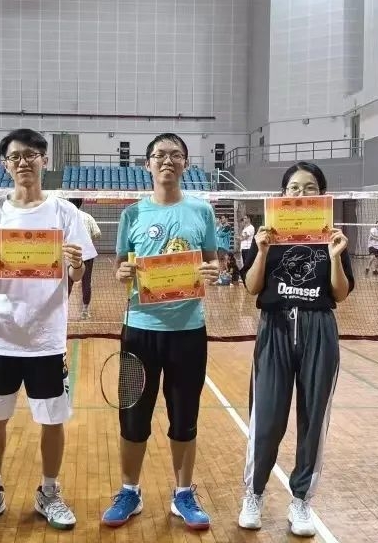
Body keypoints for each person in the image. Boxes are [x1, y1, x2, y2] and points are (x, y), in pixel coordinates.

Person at [0, 129, 96, 533]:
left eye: (32, 155)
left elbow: (77, 274)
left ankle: (49, 492)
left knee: (52, 421)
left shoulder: (65, 212)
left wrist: (76, 265)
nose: (24, 162)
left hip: (47, 340)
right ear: (6, 164)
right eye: (16, 156)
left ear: (44, 161)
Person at [102, 132, 220, 531]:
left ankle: (183, 493)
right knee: (133, 417)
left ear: (186, 162)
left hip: (188, 332)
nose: (167, 160)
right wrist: (122, 272)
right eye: (159, 155)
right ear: (148, 164)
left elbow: (213, 261)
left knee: (184, 416)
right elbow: (121, 266)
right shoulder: (132, 214)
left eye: (175, 155)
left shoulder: (201, 211)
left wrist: (212, 271)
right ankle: (129, 491)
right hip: (139, 331)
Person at [238, 161, 353, 537]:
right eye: (294, 188)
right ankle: (253, 494)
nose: (301, 194)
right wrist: (261, 250)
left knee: (313, 420)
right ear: (283, 193)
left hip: (319, 329)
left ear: (321, 194)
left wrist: (334, 256)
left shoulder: (333, 237)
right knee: (267, 419)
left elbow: (340, 293)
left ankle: (301, 500)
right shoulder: (266, 235)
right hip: (274, 328)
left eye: (309, 188)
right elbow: (252, 287)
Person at [67, 198, 101, 320]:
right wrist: (87, 239)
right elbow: (97, 234)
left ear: (69, 202)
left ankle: (63, 310)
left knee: (67, 283)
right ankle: (85, 311)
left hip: (70, 253)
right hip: (86, 254)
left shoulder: (64, 217)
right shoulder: (88, 217)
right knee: (86, 282)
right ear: (81, 203)